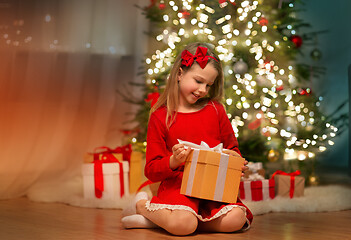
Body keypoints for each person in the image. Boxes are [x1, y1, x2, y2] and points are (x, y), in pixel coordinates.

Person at [121, 42, 253, 235]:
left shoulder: (216, 110)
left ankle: (165, 221)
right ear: (180, 74)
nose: (203, 90)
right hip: (179, 188)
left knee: (236, 219)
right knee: (184, 224)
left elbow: (233, 149)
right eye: (199, 81)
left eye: (209, 85)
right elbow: (151, 170)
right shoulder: (160, 116)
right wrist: (174, 160)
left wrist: (234, 161)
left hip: (211, 188)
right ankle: (143, 206)